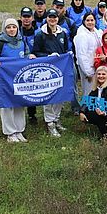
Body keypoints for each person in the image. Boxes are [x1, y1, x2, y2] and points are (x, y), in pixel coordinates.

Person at [0, 18, 34, 143]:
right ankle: (10, 133)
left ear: (17, 28)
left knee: (19, 104)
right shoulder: (0, 42)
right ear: (4, 29)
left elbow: (27, 55)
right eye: (8, 27)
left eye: (14, 27)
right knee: (7, 106)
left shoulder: (22, 41)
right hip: (4, 82)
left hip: (19, 81)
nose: (11, 30)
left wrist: (30, 57)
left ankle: (19, 130)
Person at [32, 9, 72, 137]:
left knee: (60, 94)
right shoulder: (40, 34)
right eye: (50, 17)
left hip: (60, 68)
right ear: (47, 18)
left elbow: (65, 49)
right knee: (49, 96)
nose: (52, 19)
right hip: (47, 70)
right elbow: (36, 52)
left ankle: (56, 118)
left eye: (54, 17)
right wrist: (48, 55)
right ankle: (49, 123)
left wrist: (67, 55)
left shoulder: (62, 33)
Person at [79, 66, 107, 137]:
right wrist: (82, 112)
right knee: (90, 112)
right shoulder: (97, 86)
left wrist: (105, 112)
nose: (101, 76)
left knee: (96, 115)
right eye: (99, 74)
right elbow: (88, 99)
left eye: (103, 74)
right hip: (100, 110)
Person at [74, 12, 103, 96]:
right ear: (84, 22)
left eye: (92, 20)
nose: (90, 22)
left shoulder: (96, 32)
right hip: (87, 68)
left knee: (96, 91)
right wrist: (88, 72)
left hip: (96, 65)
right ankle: (86, 108)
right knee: (88, 91)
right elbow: (81, 55)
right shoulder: (82, 35)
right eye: (88, 20)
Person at [18, 7, 38, 123]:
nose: (26, 19)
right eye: (24, 17)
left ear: (32, 18)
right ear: (20, 18)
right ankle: (19, 113)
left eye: (28, 17)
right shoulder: (16, 32)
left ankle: (32, 114)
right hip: (20, 63)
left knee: (32, 88)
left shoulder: (37, 32)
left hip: (33, 62)